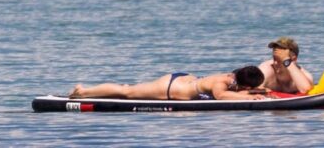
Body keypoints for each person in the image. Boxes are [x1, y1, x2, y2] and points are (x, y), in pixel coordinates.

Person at [68, 66, 267, 100]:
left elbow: (233, 91)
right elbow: (221, 96)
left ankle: (87, 90)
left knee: (130, 90)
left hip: (182, 80)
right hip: (172, 88)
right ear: (246, 86)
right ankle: (82, 92)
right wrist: (250, 96)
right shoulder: (222, 83)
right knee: (125, 92)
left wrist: (254, 91)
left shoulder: (232, 77)